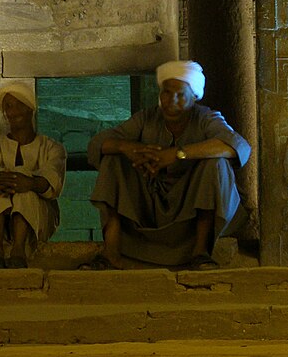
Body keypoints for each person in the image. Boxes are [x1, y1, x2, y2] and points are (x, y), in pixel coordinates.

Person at [85, 60, 250, 270]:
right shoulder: (147, 118)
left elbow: (238, 146)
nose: (171, 100)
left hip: (189, 206)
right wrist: (129, 148)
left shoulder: (206, 118)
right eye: (166, 92)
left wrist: (177, 154)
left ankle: (200, 253)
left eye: (180, 95)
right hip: (150, 205)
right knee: (112, 159)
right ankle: (110, 253)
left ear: (194, 96)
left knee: (216, 164)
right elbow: (98, 144)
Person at [0, 81, 66, 269]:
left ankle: (19, 250)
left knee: (23, 180)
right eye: (9, 107)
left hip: (38, 215)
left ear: (30, 109)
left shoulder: (52, 148)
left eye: (20, 104)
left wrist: (30, 183)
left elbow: (53, 181)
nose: (15, 111)